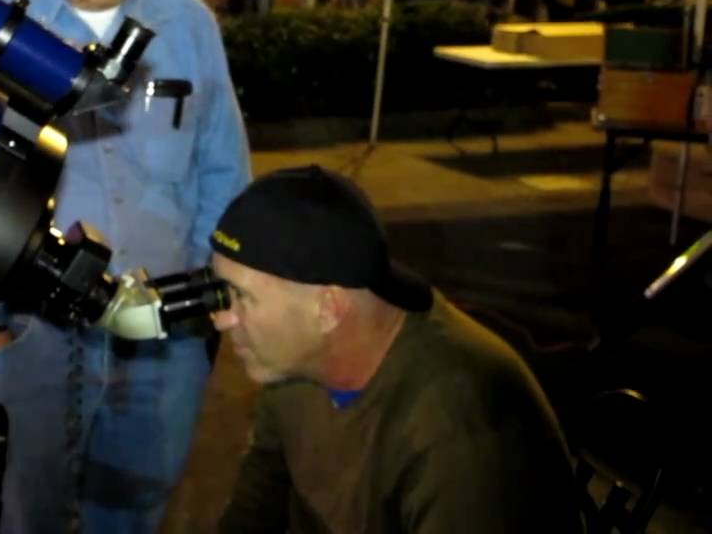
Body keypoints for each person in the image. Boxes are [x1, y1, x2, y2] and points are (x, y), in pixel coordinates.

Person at [0, 0, 253, 534]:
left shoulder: (185, 24)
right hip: (30, 333)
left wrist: (211, 297)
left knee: (133, 514)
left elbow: (223, 169)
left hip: (162, 335)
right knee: (22, 513)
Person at [210, 166, 584, 534]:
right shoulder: (297, 368)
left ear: (328, 308)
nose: (222, 319)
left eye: (241, 297)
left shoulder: (457, 431)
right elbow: (255, 507)